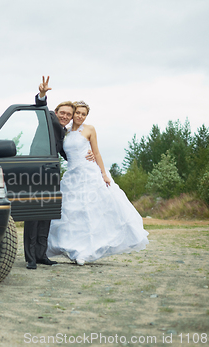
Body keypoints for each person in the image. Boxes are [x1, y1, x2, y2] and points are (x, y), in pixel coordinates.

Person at [45, 97, 149, 265]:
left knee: (90, 211)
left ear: (86, 116)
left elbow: (97, 152)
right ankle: (72, 248)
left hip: (88, 173)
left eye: (83, 114)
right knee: (71, 213)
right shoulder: (65, 131)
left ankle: (86, 252)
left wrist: (104, 174)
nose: (80, 116)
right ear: (73, 115)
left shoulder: (90, 129)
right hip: (72, 176)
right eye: (77, 113)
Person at [24, 76, 94, 269]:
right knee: (34, 214)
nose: (65, 117)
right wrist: (42, 94)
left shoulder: (64, 132)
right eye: (62, 113)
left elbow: (66, 152)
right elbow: (40, 106)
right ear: (55, 112)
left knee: (47, 213)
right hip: (36, 170)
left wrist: (86, 155)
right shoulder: (48, 119)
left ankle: (41, 254)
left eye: (68, 115)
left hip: (52, 173)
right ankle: (30, 257)